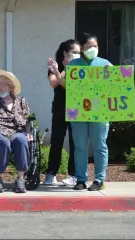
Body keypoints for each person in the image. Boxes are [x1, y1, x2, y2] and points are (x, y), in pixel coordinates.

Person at [67, 33, 112, 191]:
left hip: (100, 111)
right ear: (82, 48)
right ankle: (81, 179)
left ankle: (99, 180)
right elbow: (68, 88)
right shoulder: (73, 66)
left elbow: (114, 87)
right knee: (80, 146)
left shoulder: (106, 65)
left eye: (95, 46)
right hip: (78, 111)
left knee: (99, 145)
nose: (93, 49)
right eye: (89, 47)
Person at [44, 39, 80, 187]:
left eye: (79, 52)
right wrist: (62, 69)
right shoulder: (56, 66)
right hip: (60, 107)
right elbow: (53, 83)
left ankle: (73, 175)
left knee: (75, 141)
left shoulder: (80, 67)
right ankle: (51, 173)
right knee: (57, 140)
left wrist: (71, 67)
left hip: (76, 108)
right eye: (74, 52)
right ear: (65, 53)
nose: (77, 55)